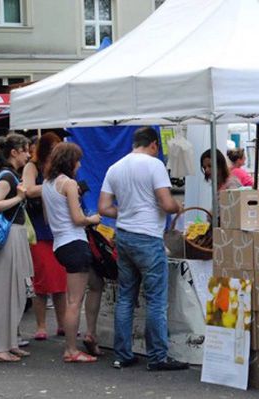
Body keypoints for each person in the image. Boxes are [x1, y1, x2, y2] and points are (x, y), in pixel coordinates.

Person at [98, 127, 189, 371]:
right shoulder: (154, 165)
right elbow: (166, 202)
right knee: (156, 300)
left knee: (126, 297)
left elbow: (104, 207)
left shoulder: (114, 168)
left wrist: (127, 212)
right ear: (153, 145)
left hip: (124, 236)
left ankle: (122, 354)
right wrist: (177, 206)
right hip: (148, 237)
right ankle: (158, 356)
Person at [42, 143, 103, 363]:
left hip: (60, 243)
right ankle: (70, 349)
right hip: (75, 243)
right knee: (74, 301)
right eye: (77, 161)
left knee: (97, 284)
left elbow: (48, 219)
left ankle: (90, 333)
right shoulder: (69, 183)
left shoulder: (47, 184)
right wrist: (93, 219)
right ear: (70, 161)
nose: (79, 165)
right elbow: (78, 219)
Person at [0, 133, 33, 362]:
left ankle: (8, 341)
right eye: (25, 150)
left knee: (13, 290)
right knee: (5, 291)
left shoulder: (9, 175)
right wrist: (19, 198)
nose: (29, 154)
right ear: (14, 152)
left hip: (13, 235)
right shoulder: (7, 177)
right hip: (9, 236)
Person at [22, 132, 67, 340]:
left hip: (58, 228)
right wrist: (53, 188)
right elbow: (29, 190)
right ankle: (41, 326)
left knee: (61, 281)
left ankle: (63, 323)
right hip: (39, 228)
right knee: (41, 280)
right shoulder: (32, 167)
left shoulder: (59, 169)